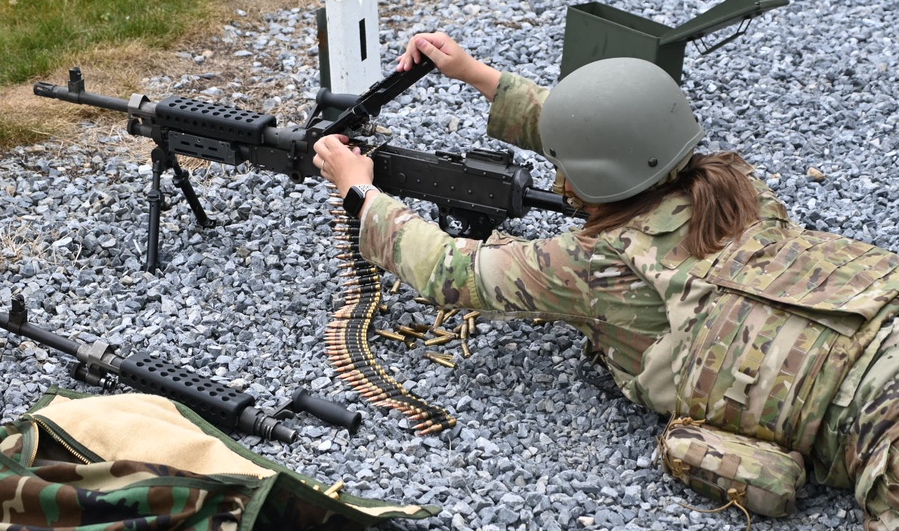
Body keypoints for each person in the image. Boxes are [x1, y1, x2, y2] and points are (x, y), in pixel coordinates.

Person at [312, 32, 899, 530]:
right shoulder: (739, 186)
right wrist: (476, 75)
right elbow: (615, 131)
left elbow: (453, 273)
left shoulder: (594, 263)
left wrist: (359, 193)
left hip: (871, 413)